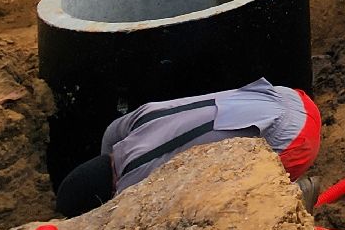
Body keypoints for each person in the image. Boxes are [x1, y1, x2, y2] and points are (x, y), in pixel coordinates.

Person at [54, 78, 321, 217]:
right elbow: (110, 143)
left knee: (215, 205)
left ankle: (288, 199)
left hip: (294, 139)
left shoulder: (134, 188)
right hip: (284, 96)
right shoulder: (124, 127)